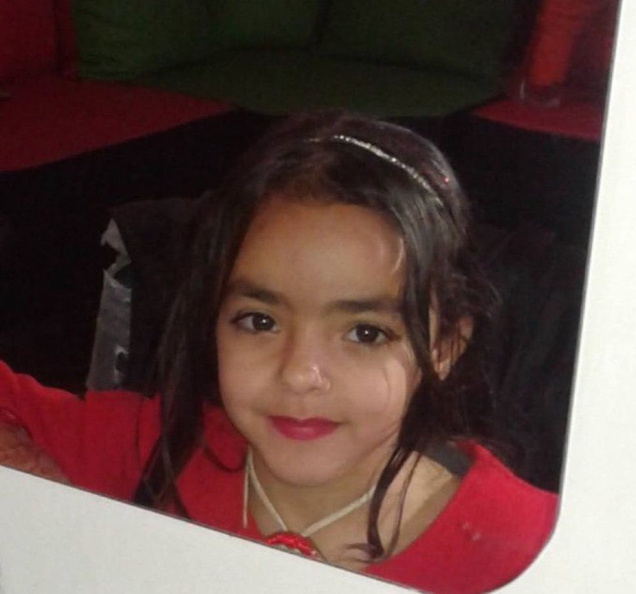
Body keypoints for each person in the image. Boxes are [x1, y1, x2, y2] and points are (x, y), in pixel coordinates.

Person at [0, 111, 556, 594]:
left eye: (365, 333)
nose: (300, 374)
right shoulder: (155, 448)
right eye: (259, 321)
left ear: (443, 346)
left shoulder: (533, 549)